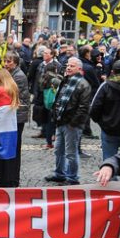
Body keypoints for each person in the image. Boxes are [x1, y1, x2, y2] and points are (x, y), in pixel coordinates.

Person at [46, 57, 92, 185]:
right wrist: (55, 116)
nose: (69, 68)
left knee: (71, 153)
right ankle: (59, 173)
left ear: (79, 69)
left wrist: (73, 123)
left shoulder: (83, 84)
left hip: (72, 124)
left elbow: (84, 108)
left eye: (72, 66)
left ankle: (72, 178)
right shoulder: (65, 81)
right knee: (58, 150)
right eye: (68, 65)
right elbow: (59, 100)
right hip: (61, 121)